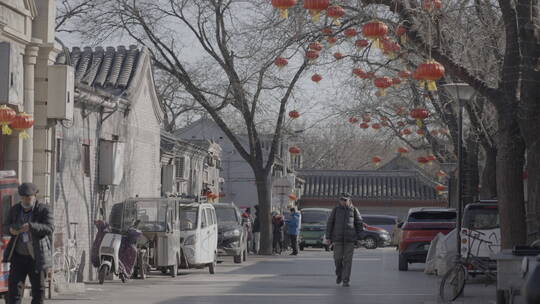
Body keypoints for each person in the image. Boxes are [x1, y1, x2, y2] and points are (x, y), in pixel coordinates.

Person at [4, 183, 54, 304]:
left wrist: (31, 226)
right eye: (23, 197)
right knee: (14, 291)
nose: (26, 200)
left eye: (29, 197)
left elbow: (49, 228)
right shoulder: (15, 209)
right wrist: (11, 230)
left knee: (38, 291)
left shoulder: (43, 209)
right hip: (18, 256)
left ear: (35, 196)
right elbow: (5, 226)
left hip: (37, 257)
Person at [325, 193, 363, 287]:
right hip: (337, 239)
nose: (343, 201)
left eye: (345, 200)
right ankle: (339, 274)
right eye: (341, 200)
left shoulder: (354, 210)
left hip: (350, 240)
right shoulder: (336, 209)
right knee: (337, 259)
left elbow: (359, 224)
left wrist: (359, 239)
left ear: (349, 200)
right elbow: (330, 223)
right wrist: (328, 237)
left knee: (348, 260)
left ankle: (346, 280)